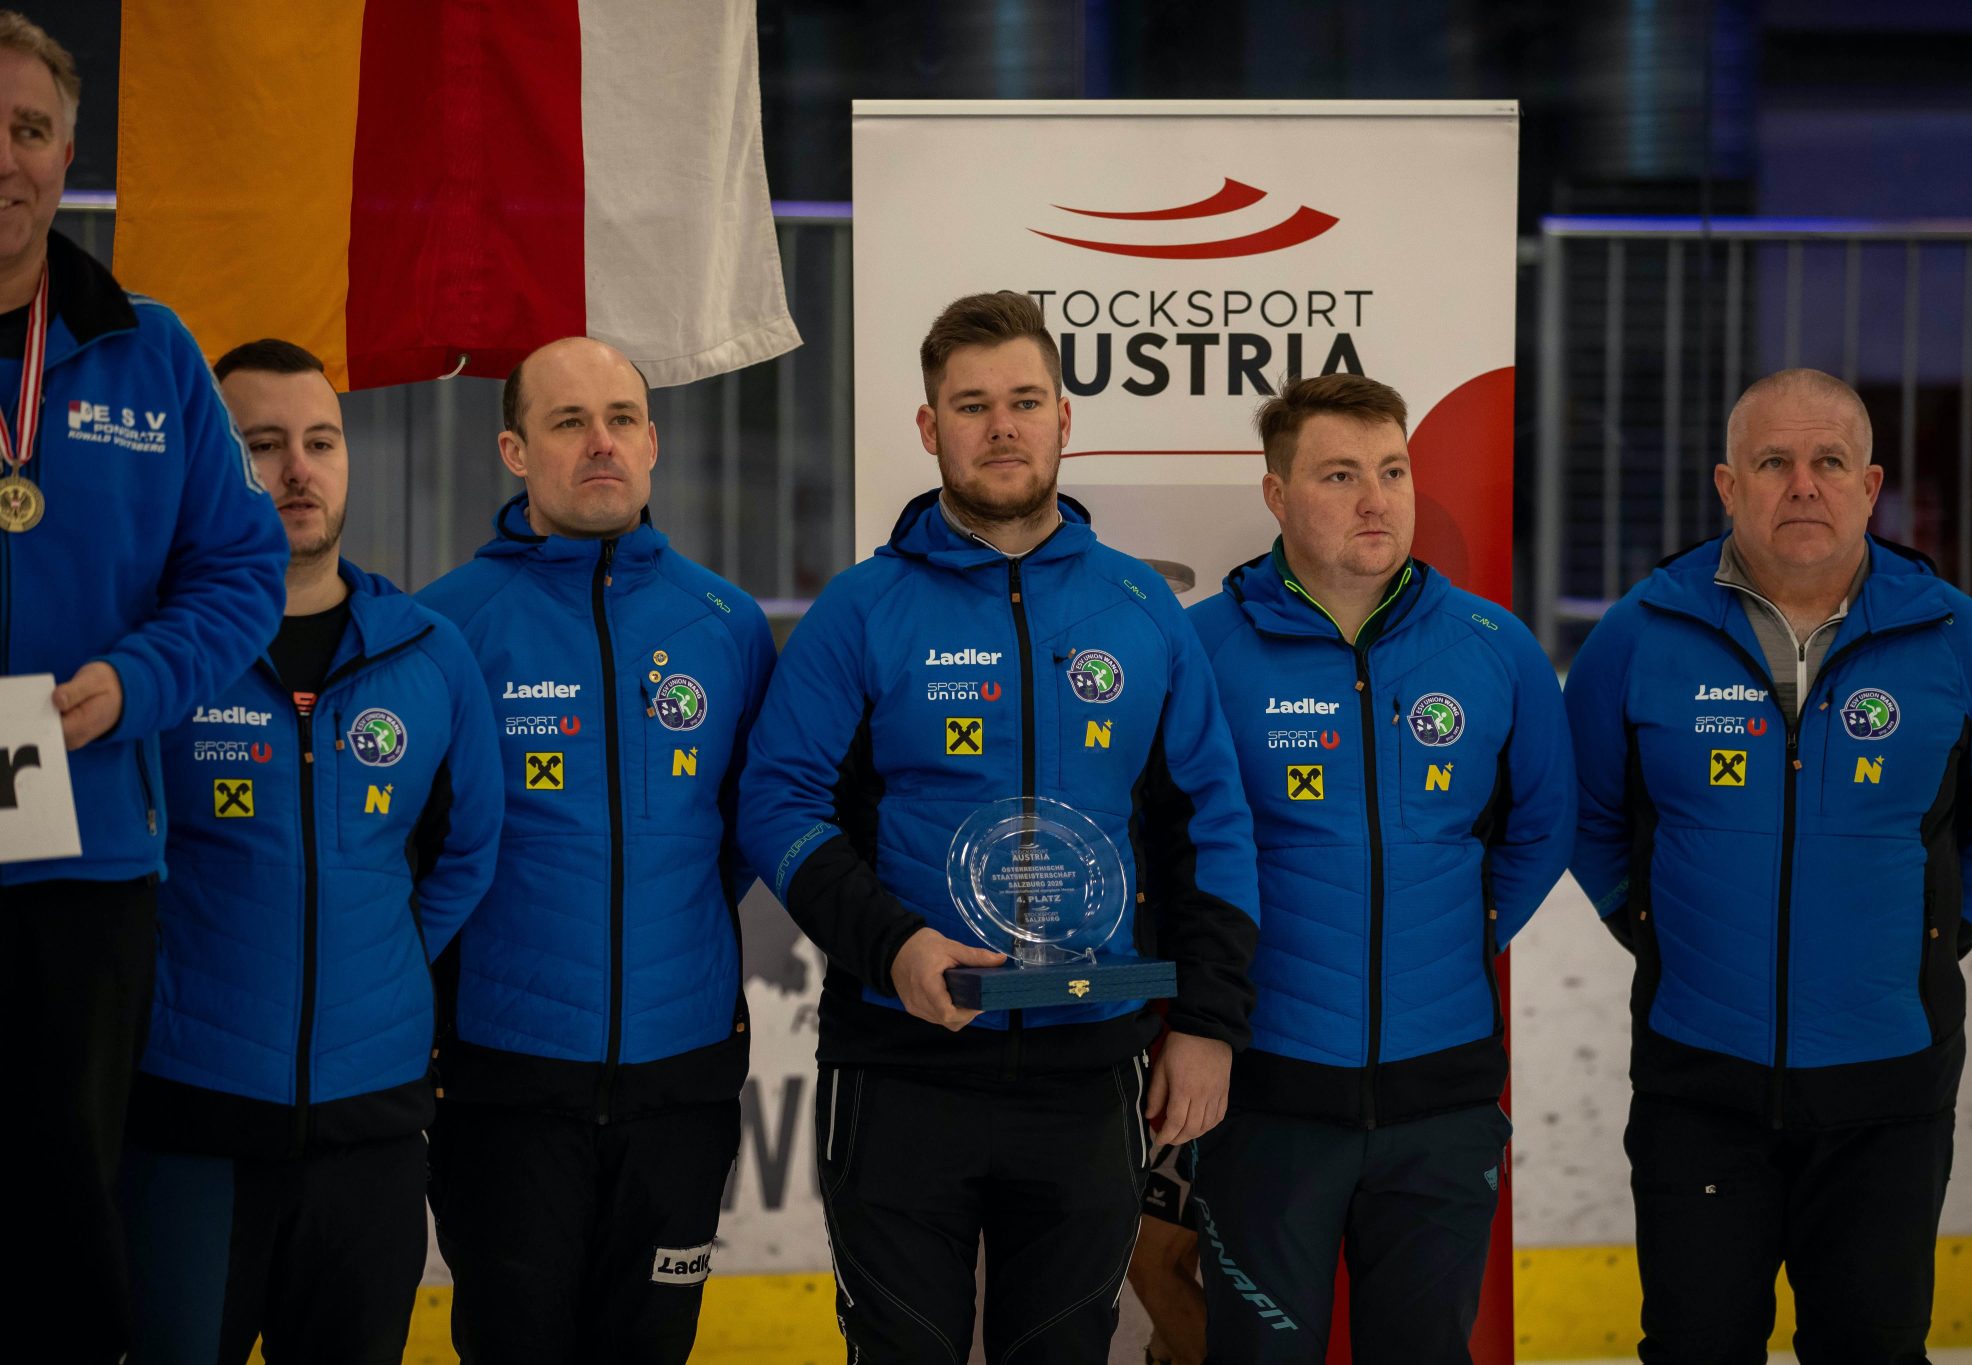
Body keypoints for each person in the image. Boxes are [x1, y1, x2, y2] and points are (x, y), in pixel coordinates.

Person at [739, 290, 1261, 1364]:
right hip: (901, 1068)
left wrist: (1206, 1022)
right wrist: (894, 944)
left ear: (1064, 418)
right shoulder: (861, 608)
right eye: (971, 406)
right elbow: (776, 803)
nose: (1001, 426)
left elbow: (1204, 821)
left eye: (1024, 400)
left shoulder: (1138, 608)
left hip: (1087, 1066)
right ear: (930, 429)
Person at [1564, 368, 1972, 1364]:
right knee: (1692, 1347)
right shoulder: (1638, 635)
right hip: (1698, 1082)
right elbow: (1585, 810)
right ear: (1726, 486)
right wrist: (1645, 925)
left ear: (1869, 486)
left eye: (1826, 463)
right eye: (1771, 463)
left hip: (1887, 1088)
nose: (1800, 485)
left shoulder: (1955, 640)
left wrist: (1939, 938)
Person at [116, 339, 503, 1364]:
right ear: (212, 463)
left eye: (320, 441)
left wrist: (369, 956)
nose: (298, 469)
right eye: (264, 444)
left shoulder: (427, 654)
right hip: (191, 1126)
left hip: (371, 1136)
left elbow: (465, 853)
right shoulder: (157, 654)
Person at [0, 14, 288, 1358]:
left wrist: (137, 679)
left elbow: (239, 571)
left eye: (29, 130)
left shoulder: (149, 348)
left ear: (67, 154)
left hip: (81, 857)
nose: (6, 157)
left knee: (63, 1211)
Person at [1183, 373, 1573, 1361]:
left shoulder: (1494, 647)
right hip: (1266, 1103)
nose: (1374, 499)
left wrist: (1455, 934)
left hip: (1441, 1105)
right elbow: (1167, 848)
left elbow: (1542, 827)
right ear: (1275, 495)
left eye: (1392, 471)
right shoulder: (1201, 650)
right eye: (1339, 474)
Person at [417, 336, 776, 1362]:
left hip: (683, 1082)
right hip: (505, 1084)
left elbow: (742, 831)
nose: (599, 443)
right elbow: (423, 849)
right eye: (567, 422)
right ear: (514, 450)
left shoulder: (726, 623)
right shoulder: (444, 628)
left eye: (620, 419)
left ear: (654, 442)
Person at [1127, 1140, 1207, 1365]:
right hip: (1213, 1129)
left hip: (1223, 1124)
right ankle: (1166, 1353)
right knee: (1166, 1259)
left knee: (1150, 1259)